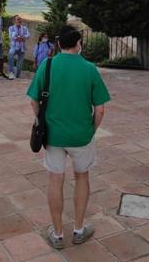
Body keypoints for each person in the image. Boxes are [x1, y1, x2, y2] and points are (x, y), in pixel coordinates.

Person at [26, 25, 111, 249]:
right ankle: (79, 229)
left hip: (53, 136)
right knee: (82, 177)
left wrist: (41, 121)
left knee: (55, 180)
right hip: (82, 135)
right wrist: (90, 131)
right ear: (78, 44)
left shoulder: (48, 65)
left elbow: (34, 100)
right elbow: (100, 109)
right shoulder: (90, 69)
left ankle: (57, 234)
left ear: (59, 44)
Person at [8, 15, 30, 79]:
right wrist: (22, 37)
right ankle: (11, 73)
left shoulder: (24, 28)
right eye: (18, 19)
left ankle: (17, 76)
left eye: (20, 19)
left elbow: (28, 36)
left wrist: (18, 37)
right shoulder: (11, 28)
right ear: (14, 21)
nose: (20, 20)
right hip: (14, 47)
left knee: (19, 65)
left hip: (22, 48)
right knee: (10, 55)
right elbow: (12, 37)